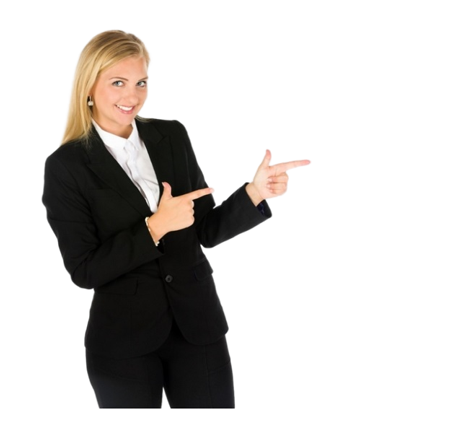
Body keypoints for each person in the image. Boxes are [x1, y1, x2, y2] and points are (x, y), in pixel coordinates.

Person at [41, 29, 312, 409]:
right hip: (124, 342)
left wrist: (254, 192)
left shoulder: (171, 135)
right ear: (88, 85)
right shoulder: (65, 166)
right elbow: (84, 270)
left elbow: (206, 230)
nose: (132, 96)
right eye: (118, 82)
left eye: (141, 82)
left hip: (197, 326)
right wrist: (154, 227)